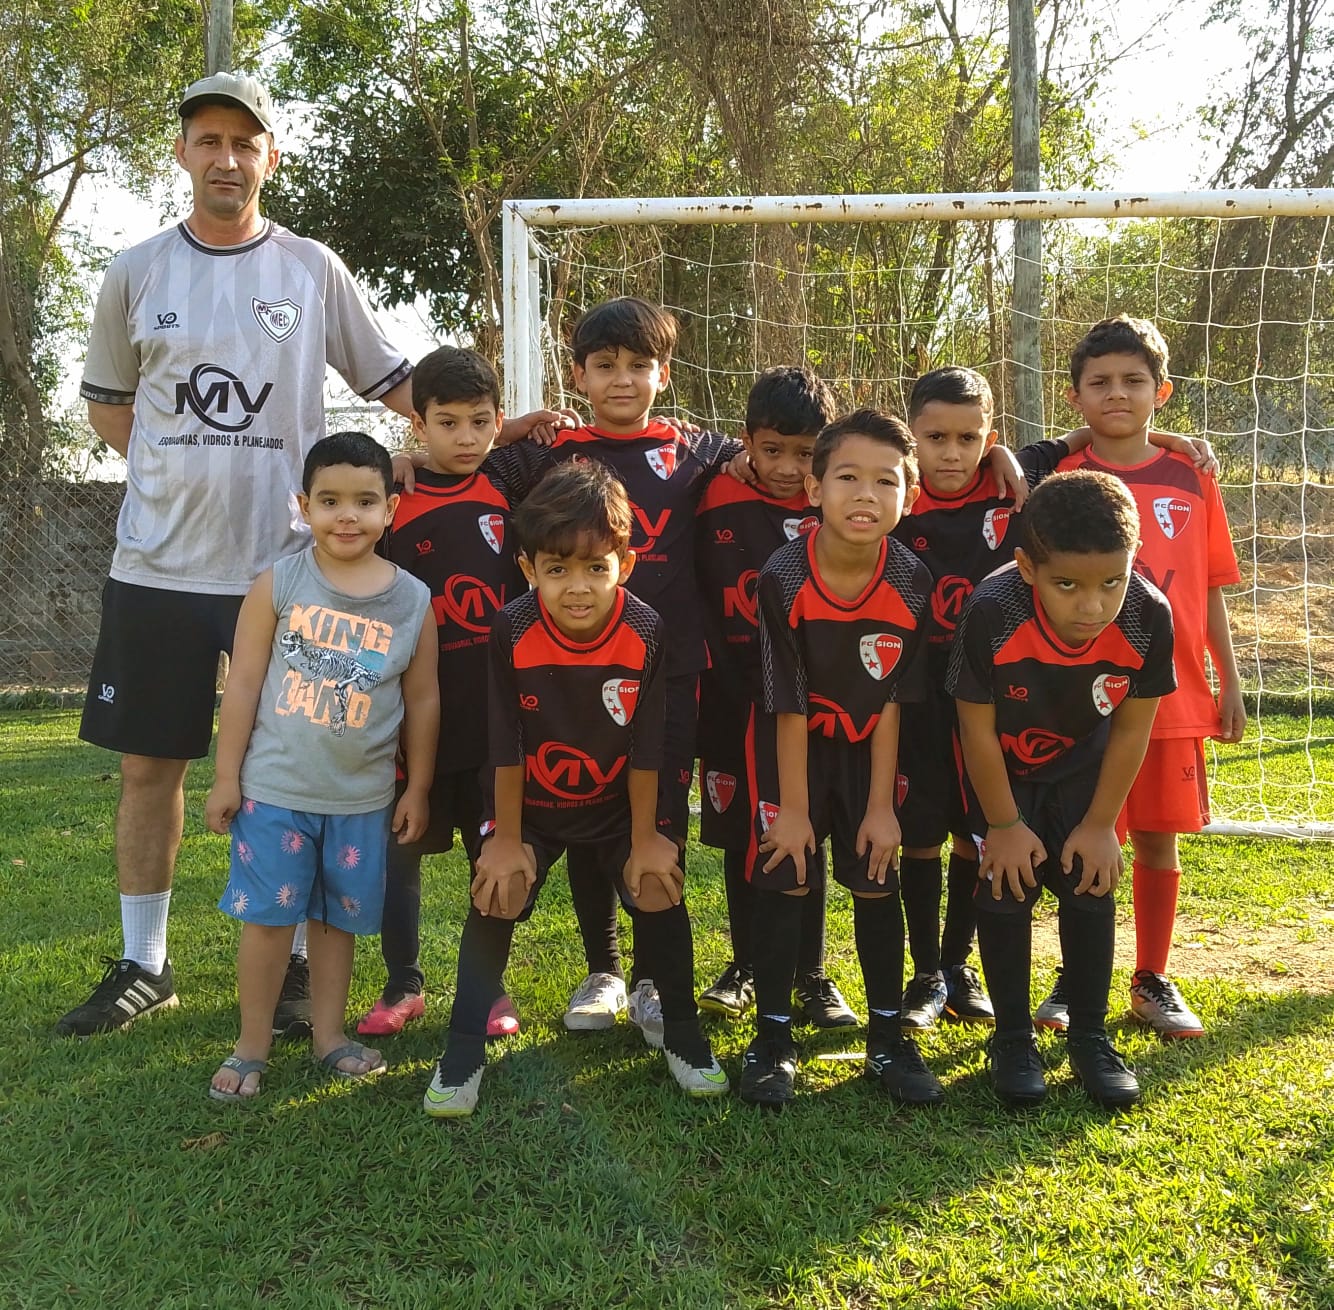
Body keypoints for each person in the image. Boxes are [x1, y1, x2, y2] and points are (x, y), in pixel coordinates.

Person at [60, 72, 416, 1038]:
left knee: (298, 766)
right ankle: (144, 963)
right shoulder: (134, 271)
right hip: (159, 570)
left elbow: (388, 378)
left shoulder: (310, 267)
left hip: (288, 570)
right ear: (181, 153)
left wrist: (485, 429)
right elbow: (107, 402)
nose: (226, 158)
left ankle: (298, 970)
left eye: (244, 142)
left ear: (270, 156)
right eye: (208, 139)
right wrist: (173, 472)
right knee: (151, 767)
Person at [422, 461, 727, 1117]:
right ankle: (462, 1048)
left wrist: (646, 838)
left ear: (626, 560)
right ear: (529, 569)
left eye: (595, 567)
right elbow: (506, 742)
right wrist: (504, 841)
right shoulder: (510, 627)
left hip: (617, 807)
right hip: (531, 806)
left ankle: (683, 1034)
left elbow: (649, 745)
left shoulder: (646, 628)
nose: (577, 587)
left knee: (656, 882)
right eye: (556, 570)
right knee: (497, 887)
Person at [490, 297, 746, 1040]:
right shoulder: (547, 454)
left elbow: (776, 454)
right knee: (587, 810)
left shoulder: (697, 448)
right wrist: (483, 434)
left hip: (670, 672)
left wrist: (998, 458)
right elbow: (464, 458)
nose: (623, 380)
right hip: (571, 672)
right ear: (579, 374)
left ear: (664, 373)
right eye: (605, 366)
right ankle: (602, 968)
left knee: (656, 814)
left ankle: (652, 983)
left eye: (639, 366)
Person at [204, 432, 437, 1099]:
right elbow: (243, 683)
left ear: (390, 509)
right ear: (304, 506)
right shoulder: (279, 583)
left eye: (365, 501)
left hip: (361, 798)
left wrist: (416, 785)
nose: (347, 516)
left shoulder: (412, 600)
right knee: (271, 920)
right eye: (330, 500)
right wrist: (226, 777)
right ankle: (251, 1046)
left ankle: (329, 1037)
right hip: (274, 791)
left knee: (338, 923)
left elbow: (423, 700)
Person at [948, 470, 1176, 1107]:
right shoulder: (992, 610)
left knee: (1088, 886)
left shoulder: (1148, 616)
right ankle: (1014, 1038)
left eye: (1112, 582)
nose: (1092, 605)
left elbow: (1133, 729)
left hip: (1084, 773)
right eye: (1068, 585)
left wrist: (1102, 824)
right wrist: (1002, 824)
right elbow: (976, 727)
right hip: (1002, 777)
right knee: (1003, 888)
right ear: (1027, 567)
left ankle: (1089, 1035)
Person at [1045, 314, 1245, 1039]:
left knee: (1158, 839)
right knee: (1088, 837)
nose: (1118, 394)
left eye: (1134, 381)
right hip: (1082, 694)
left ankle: (1150, 977)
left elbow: (1210, 585)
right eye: (1100, 382)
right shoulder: (1061, 479)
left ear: (1162, 389)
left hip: (1175, 693)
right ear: (1076, 398)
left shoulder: (1190, 474)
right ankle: (1076, 976)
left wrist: (1228, 678)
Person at [740, 409, 936, 1108]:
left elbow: (891, 702)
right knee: (787, 872)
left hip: (866, 749)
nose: (865, 494)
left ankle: (887, 1038)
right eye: (847, 477)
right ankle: (772, 1038)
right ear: (814, 489)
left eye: (886, 481)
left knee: (877, 873)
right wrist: (793, 812)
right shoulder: (784, 575)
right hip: (788, 745)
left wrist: (882, 807)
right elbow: (786, 703)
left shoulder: (913, 579)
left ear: (909, 497)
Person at [892, 367, 1079, 1031]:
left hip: (990, 701)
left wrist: (1169, 438)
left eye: (968, 438)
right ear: (909, 435)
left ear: (990, 438)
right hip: (910, 698)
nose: (950, 451)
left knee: (977, 831)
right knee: (917, 835)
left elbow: (1088, 433)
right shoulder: (888, 492)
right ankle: (921, 975)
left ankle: (957, 965)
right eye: (934, 436)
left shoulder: (1013, 483)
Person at [355, 346, 529, 1040]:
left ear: (497, 421)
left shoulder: (514, 478)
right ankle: (403, 984)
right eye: (446, 422)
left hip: (496, 715)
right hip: (414, 719)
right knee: (403, 852)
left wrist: (533, 423)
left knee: (492, 850)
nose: (465, 437)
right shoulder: (390, 499)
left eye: (480, 422)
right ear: (416, 424)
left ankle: (488, 988)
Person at [693, 365, 858, 1027]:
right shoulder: (712, 494)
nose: (789, 468)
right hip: (730, 694)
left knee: (805, 826)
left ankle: (811, 974)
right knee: (743, 835)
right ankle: (747, 964)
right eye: (772, 451)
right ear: (747, 441)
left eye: (806, 453)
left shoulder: (841, 504)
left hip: (812, 703)